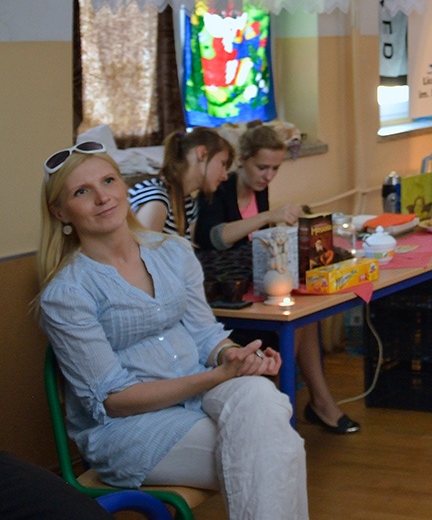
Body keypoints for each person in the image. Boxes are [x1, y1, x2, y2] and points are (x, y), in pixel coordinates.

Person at [35, 141, 308, 520]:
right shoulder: (67, 293)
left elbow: (205, 334)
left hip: (200, 395)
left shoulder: (173, 251)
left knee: (261, 397)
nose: (103, 197)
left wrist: (236, 356)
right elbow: (115, 400)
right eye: (82, 191)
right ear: (60, 211)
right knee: (274, 448)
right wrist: (218, 376)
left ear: (123, 185)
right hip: (132, 429)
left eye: (109, 181)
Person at [194, 123, 361, 434]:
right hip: (224, 294)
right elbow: (213, 237)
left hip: (249, 282)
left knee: (305, 314)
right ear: (241, 159)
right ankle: (286, 405)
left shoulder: (259, 189)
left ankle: (305, 402)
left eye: (275, 169)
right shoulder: (220, 189)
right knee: (297, 316)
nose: (268, 176)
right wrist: (267, 217)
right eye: (262, 167)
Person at [128, 128, 233, 238]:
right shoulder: (156, 200)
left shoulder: (189, 204)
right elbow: (144, 248)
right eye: (223, 164)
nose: (225, 176)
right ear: (202, 153)